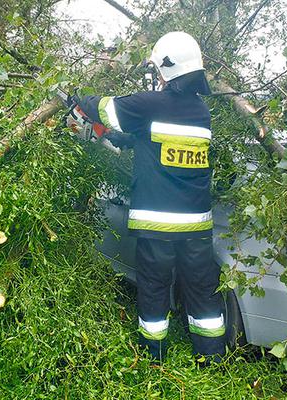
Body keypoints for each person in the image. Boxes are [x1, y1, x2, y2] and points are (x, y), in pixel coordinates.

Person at [74, 31, 225, 363]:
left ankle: (153, 353)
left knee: (155, 289)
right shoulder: (201, 112)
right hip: (197, 226)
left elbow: (105, 108)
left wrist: (75, 97)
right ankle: (211, 356)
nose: (156, 76)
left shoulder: (150, 104)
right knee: (202, 290)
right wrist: (125, 139)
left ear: (168, 69)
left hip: (158, 225)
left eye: (158, 69)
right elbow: (159, 141)